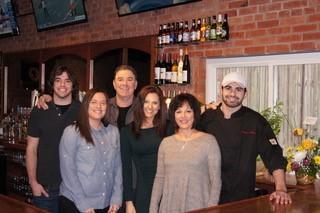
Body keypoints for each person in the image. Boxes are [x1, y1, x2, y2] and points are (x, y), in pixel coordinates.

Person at [199, 72, 292, 205]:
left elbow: (274, 155)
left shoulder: (255, 121)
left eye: (238, 89)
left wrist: (281, 189)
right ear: (220, 90)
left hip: (242, 199)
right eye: (228, 88)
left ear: (245, 93)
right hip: (206, 198)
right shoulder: (206, 118)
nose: (232, 93)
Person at [150, 93, 221, 213]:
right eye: (178, 111)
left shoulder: (209, 141)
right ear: (173, 115)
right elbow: (159, 178)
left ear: (195, 113)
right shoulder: (166, 143)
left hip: (198, 206)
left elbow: (216, 181)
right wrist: (153, 208)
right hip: (169, 207)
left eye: (188, 111)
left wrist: (212, 209)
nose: (183, 116)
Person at [26, 65, 80, 213]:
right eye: (58, 80)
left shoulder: (82, 111)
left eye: (67, 81)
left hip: (74, 189)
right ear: (52, 84)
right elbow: (31, 149)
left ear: (73, 85)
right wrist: (33, 183)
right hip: (45, 189)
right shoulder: (39, 110)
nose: (62, 85)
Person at [59, 88, 122, 213]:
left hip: (106, 204)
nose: (98, 106)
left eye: (103, 103)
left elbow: (117, 167)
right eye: (93, 102)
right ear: (86, 105)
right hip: (76, 203)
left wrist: (116, 197)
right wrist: (83, 203)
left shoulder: (113, 132)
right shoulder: (72, 132)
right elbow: (68, 171)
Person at [120, 85, 168, 213]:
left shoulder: (169, 128)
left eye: (154, 103)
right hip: (142, 190)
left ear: (160, 106)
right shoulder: (127, 131)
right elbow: (126, 169)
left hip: (167, 189)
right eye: (146, 102)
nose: (150, 107)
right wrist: (129, 202)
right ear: (140, 104)